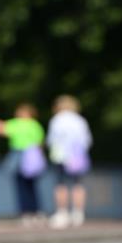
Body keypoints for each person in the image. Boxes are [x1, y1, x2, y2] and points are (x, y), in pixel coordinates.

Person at [0, 103, 46, 222]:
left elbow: (0, 128)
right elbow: (41, 143)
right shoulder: (35, 125)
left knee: (21, 186)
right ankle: (36, 212)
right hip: (33, 158)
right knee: (31, 186)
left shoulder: (18, 124)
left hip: (20, 156)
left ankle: (26, 213)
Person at [46, 95, 93, 228]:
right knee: (78, 184)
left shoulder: (57, 120)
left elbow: (51, 140)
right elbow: (87, 140)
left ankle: (62, 213)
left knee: (61, 184)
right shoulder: (80, 120)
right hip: (77, 155)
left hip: (61, 155)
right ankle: (78, 214)